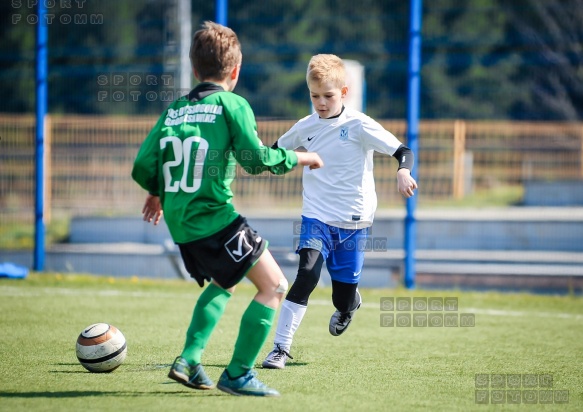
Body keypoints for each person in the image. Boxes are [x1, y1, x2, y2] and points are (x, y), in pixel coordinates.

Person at [131, 21, 323, 397]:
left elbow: (142, 165)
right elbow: (255, 159)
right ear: (235, 71)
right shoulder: (232, 104)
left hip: (181, 223)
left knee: (226, 281)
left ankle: (188, 358)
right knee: (274, 286)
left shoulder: (175, 110)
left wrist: (156, 191)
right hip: (215, 218)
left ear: (193, 68)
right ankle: (237, 374)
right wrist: (301, 157)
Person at [262, 54, 418, 369]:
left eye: (328, 96)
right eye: (314, 96)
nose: (321, 102)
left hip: (354, 222)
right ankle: (280, 348)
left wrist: (403, 172)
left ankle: (349, 304)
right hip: (316, 217)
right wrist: (256, 155)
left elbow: (403, 151)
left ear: (344, 93)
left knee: (342, 297)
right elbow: (273, 151)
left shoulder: (359, 124)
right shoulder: (305, 127)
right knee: (306, 275)